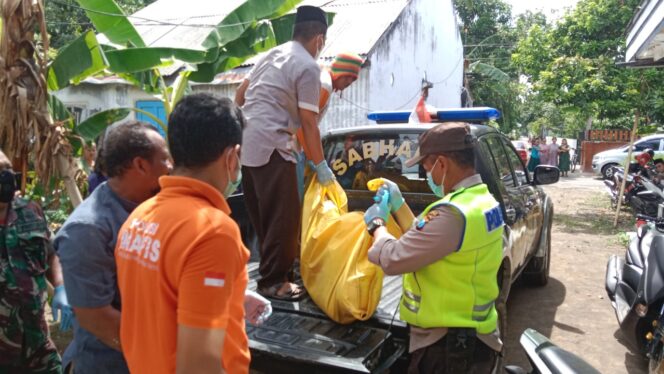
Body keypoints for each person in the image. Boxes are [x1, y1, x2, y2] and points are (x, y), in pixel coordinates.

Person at [116, 93, 271, 374]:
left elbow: (163, 295)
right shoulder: (213, 233)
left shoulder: (139, 217)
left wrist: (234, 296)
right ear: (231, 156)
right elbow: (198, 366)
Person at [363, 123, 503, 373]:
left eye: (426, 168)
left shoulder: (453, 214)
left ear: (442, 163)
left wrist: (377, 224)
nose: (428, 175)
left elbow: (392, 258)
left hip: (448, 348)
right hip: (474, 336)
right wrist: (398, 203)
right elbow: (426, 239)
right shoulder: (482, 202)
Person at [54, 120, 172, 373]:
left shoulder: (154, 206)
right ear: (140, 165)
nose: (171, 166)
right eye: (165, 159)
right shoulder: (88, 229)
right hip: (111, 364)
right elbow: (96, 318)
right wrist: (167, 352)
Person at [234, 5, 335, 300]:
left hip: (246, 143)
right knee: (285, 217)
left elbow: (240, 96)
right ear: (319, 39)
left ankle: (272, 275)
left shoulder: (271, 54)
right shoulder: (308, 67)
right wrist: (321, 166)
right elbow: (308, 122)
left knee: (264, 216)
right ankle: (274, 282)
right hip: (272, 146)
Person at [0, 149, 72, 373]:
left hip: (37, 345)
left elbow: (50, 253)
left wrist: (60, 286)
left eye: (8, 169)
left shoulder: (30, 211)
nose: (6, 176)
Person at [294, 52, 365, 199]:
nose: (346, 87)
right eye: (349, 82)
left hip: (295, 150)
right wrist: (316, 161)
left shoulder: (323, 79)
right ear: (343, 75)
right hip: (292, 150)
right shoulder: (325, 86)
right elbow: (303, 124)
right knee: (294, 206)